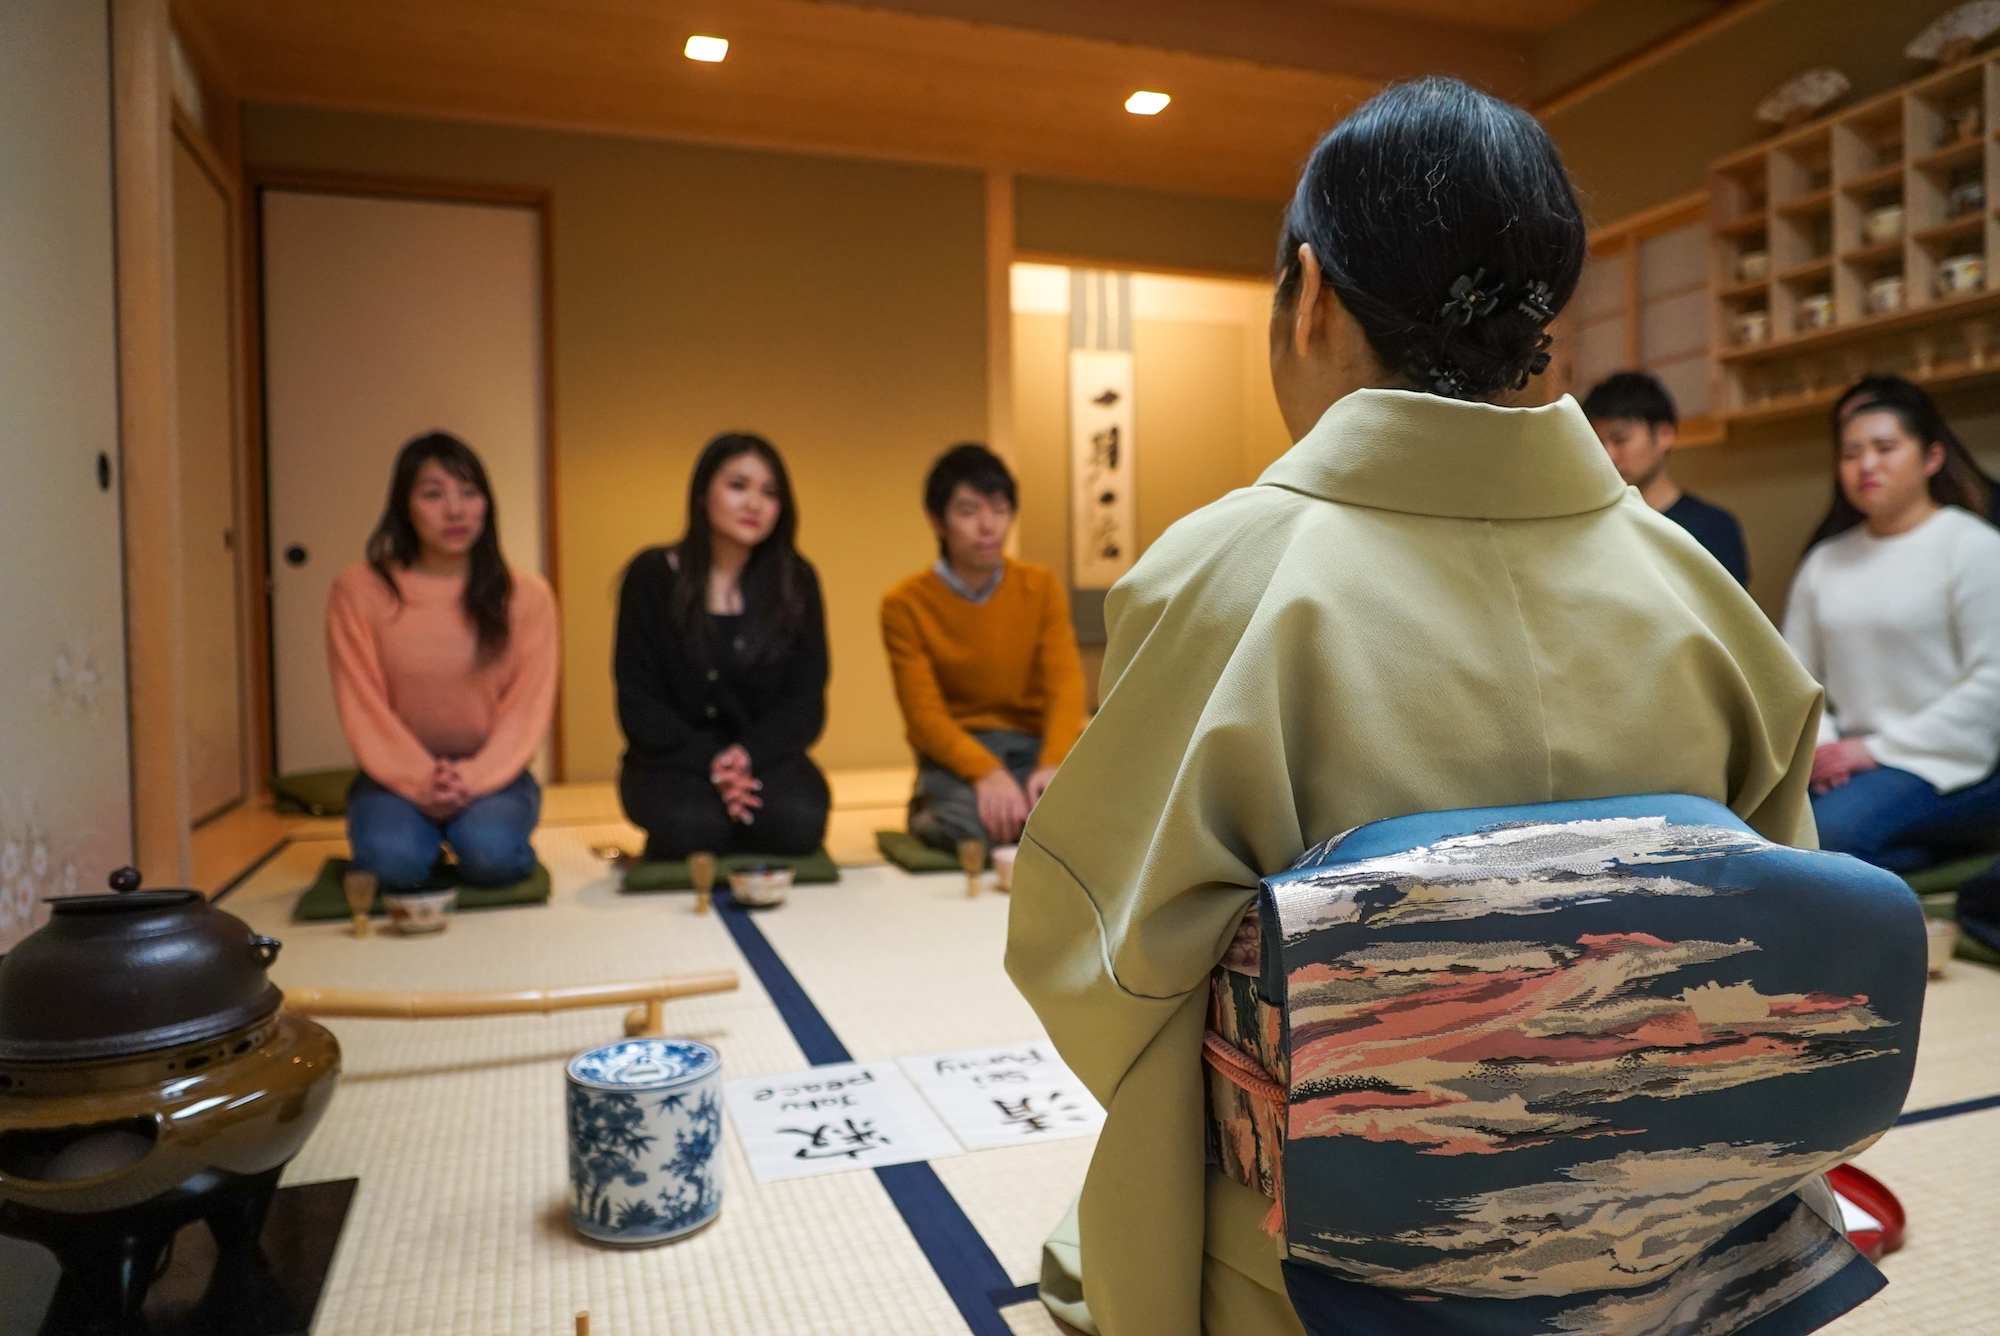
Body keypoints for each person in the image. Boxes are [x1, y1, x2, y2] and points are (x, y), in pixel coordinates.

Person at [1007, 77, 1828, 1336]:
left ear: (1310, 291)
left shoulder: (1221, 576)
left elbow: (1103, 971)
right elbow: (1794, 968)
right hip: (1662, 1254)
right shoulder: (1699, 594)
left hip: (1314, 1276)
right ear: (1541, 312)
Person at [1784, 375, 2000, 872]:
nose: (1867, 465)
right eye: (1851, 453)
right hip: (1844, 759)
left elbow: (1990, 684)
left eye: (1885, 448)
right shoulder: (1824, 560)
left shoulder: (1972, 546)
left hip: (1942, 760)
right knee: (1766, 823)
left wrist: (1873, 750)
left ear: (1931, 458)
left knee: (1831, 833)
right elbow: (1793, 678)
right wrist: (1827, 748)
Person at [329, 432, 559, 890]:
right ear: (405, 506)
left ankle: (469, 833)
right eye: (434, 494)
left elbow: (525, 709)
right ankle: (415, 837)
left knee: (493, 859)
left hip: (495, 772)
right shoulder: (359, 590)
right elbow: (362, 704)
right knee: (391, 868)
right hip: (392, 774)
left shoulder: (527, 596)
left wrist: (473, 777)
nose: (455, 510)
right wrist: (418, 778)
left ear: (486, 504)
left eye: (469, 493)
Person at [616, 433, 830, 861]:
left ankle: (738, 809)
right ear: (702, 494)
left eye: (769, 493)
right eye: (738, 486)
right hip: (670, 757)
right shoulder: (653, 576)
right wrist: (714, 762)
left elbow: (805, 702)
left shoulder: (796, 580)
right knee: (692, 828)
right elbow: (638, 702)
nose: (754, 504)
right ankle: (723, 814)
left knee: (799, 821)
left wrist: (744, 757)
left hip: (764, 756)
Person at [880, 444, 1087, 852]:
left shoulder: (1040, 586)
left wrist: (1052, 762)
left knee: (1098, 815)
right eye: (969, 511)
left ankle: (1016, 811)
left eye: (999, 508)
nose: (988, 526)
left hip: (1033, 745)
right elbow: (924, 716)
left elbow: (1066, 685)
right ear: (937, 521)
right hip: (959, 752)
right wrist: (986, 773)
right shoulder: (905, 604)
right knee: (975, 824)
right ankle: (929, 805)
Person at [1583, 370, 1750, 584]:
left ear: (1664, 435)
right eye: (1597, 443)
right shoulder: (1594, 528)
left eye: (1620, 439)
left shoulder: (1712, 528)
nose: (1608, 455)